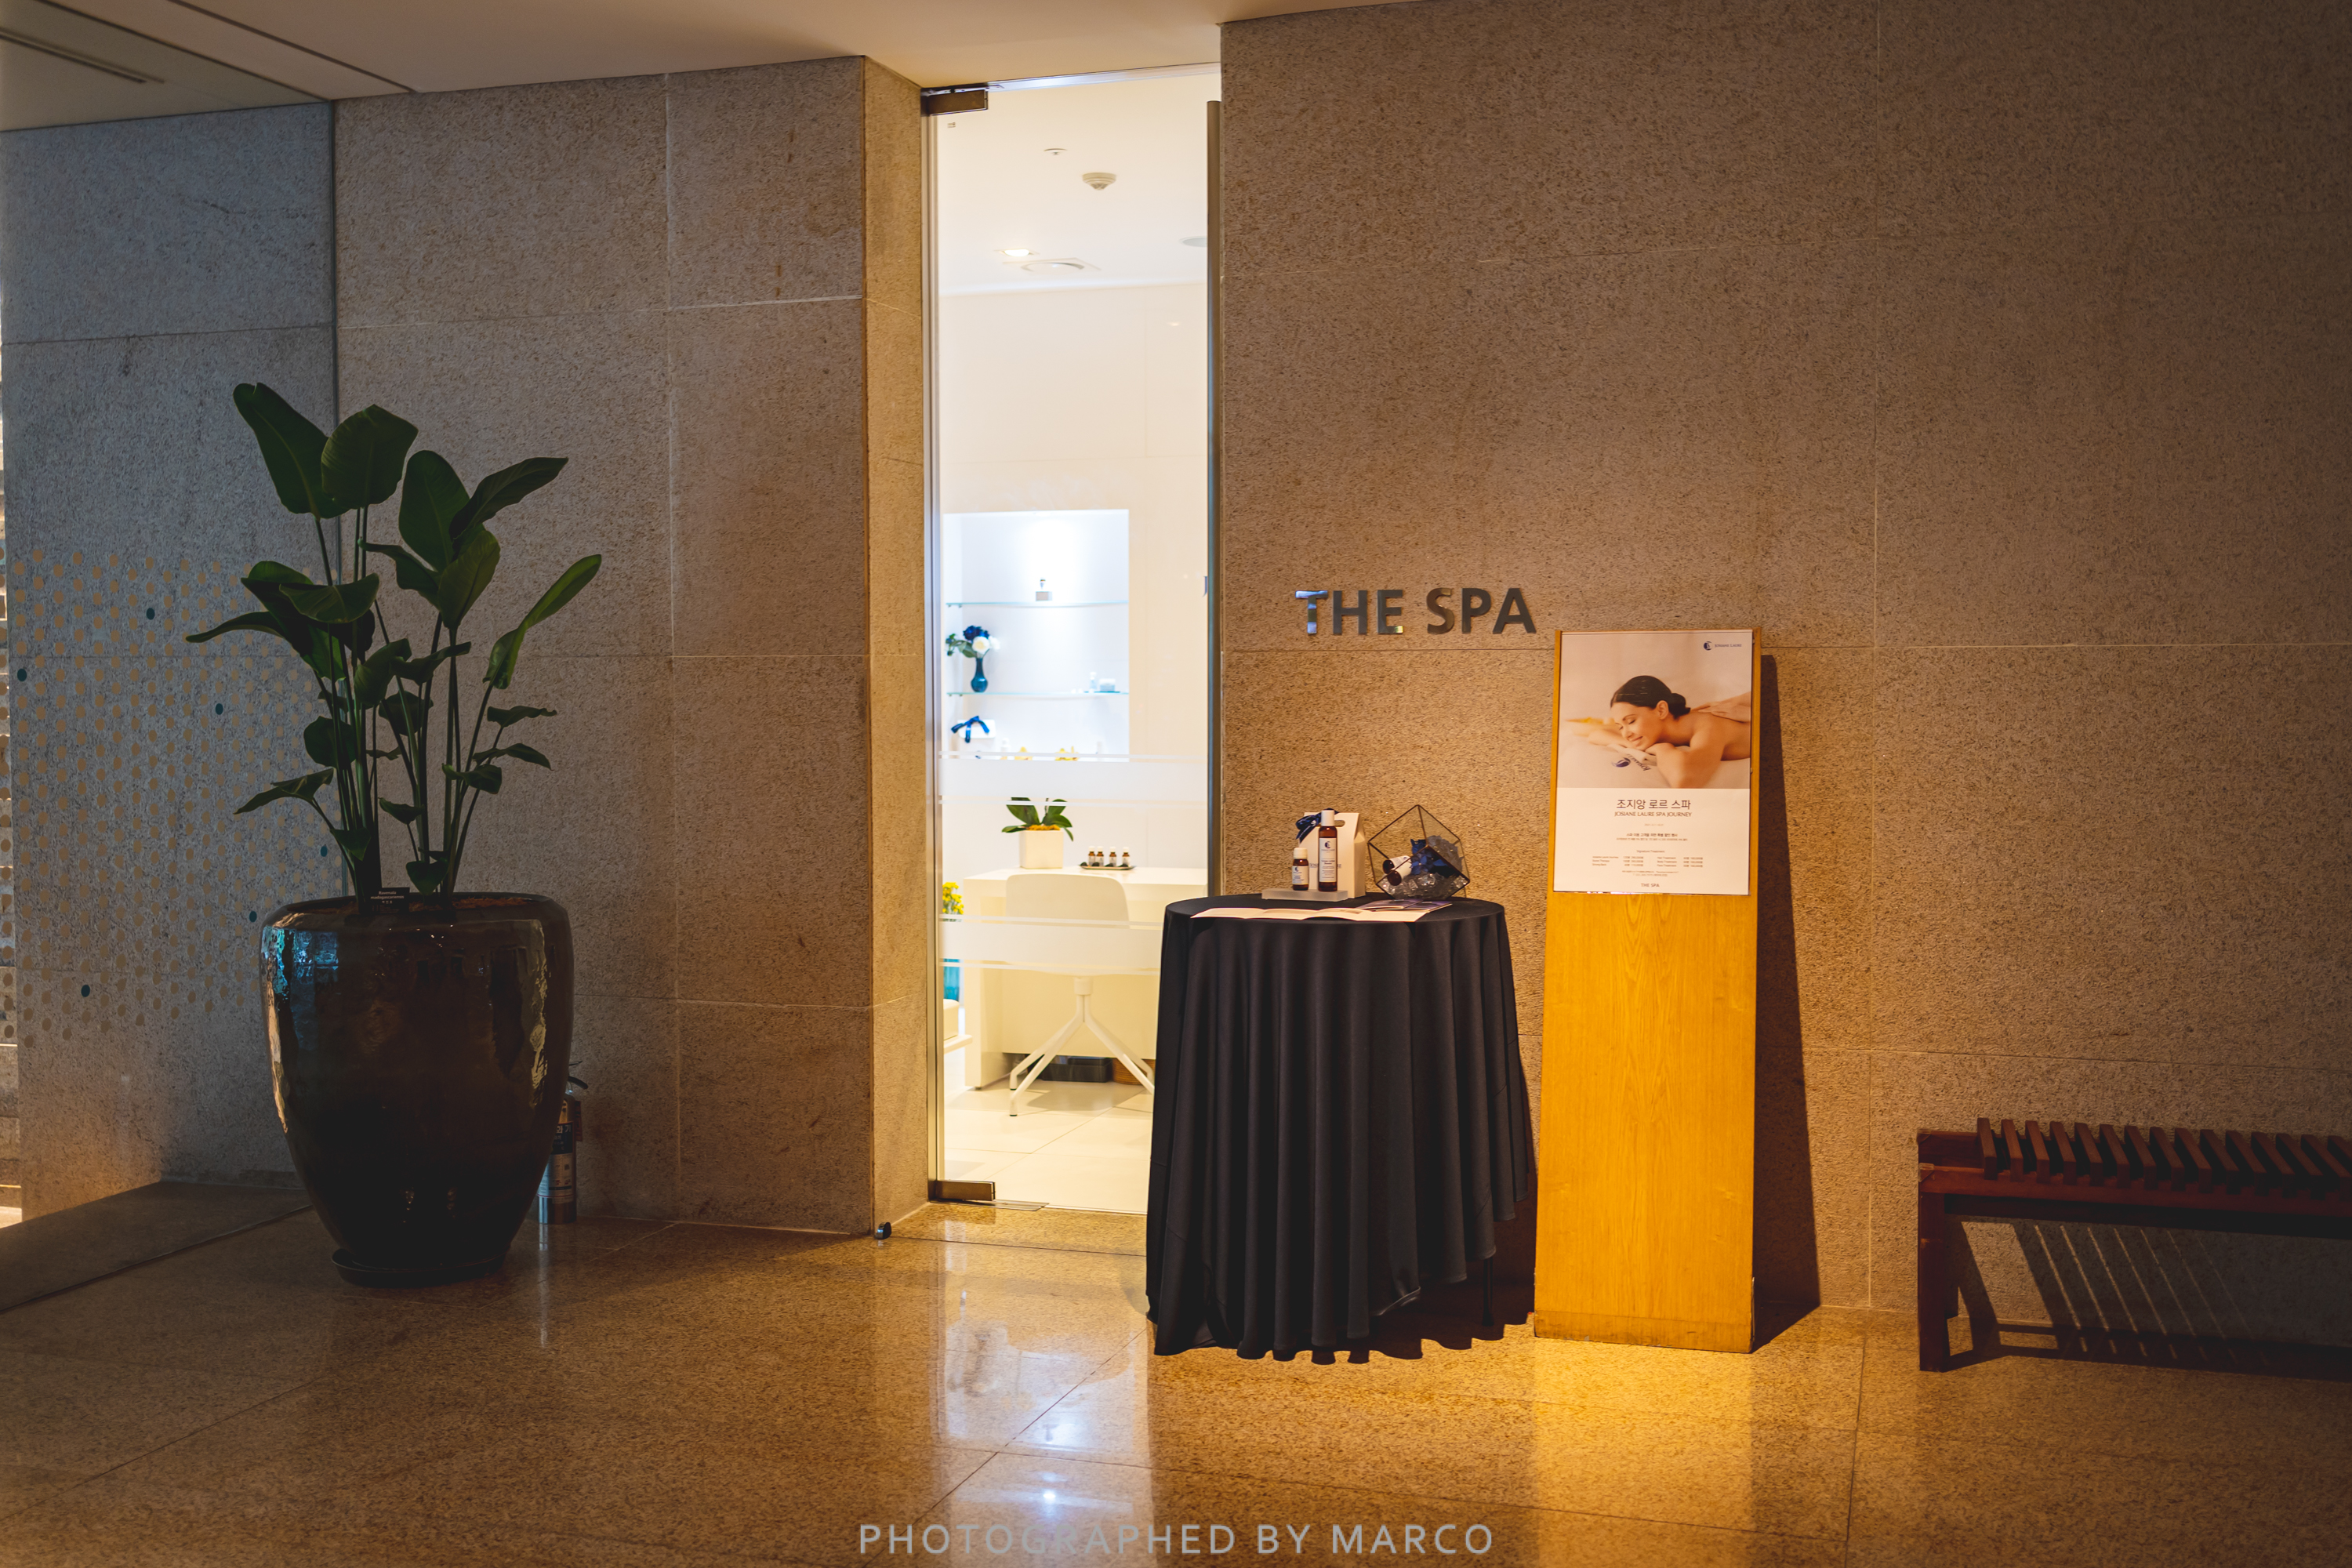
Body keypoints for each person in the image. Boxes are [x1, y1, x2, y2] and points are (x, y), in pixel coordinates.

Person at [1607, 675, 1751, 787]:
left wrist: (1662, 749)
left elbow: (1686, 779)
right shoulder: (1657, 728)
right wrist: (1632, 744)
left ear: (1661, 710)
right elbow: (1598, 732)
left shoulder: (1709, 724)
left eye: (1631, 721)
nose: (1625, 734)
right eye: (1620, 726)